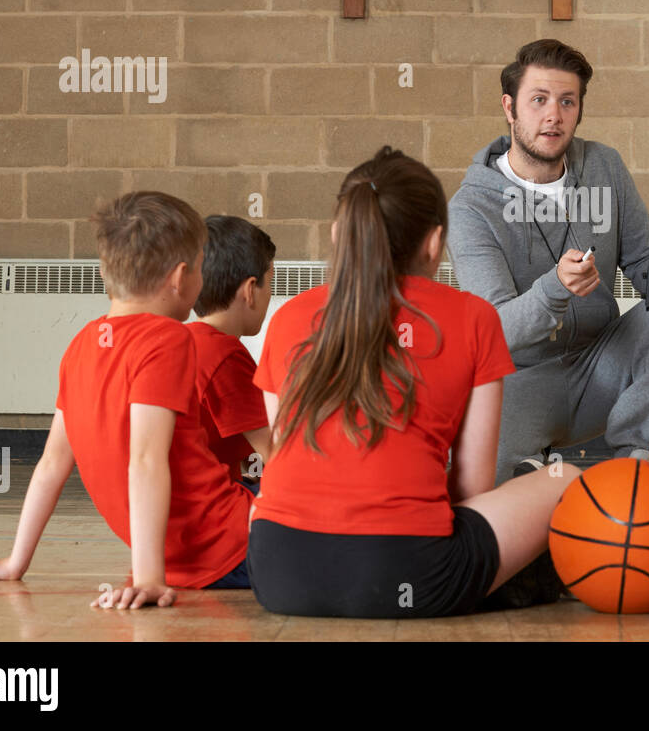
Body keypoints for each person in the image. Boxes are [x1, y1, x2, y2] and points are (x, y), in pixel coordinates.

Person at [247, 146, 580, 617]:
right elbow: (471, 488)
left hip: (278, 575)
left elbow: (281, 452)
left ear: (341, 234)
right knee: (564, 477)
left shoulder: (288, 318)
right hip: (410, 575)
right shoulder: (473, 318)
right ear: (434, 242)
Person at [0, 192, 253, 607]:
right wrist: (148, 578)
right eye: (200, 266)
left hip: (182, 559)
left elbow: (52, 464)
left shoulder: (80, 345)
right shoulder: (168, 339)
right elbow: (145, 459)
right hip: (230, 548)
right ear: (180, 277)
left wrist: (15, 561)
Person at [447, 38, 649, 483]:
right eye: (539, 100)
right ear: (509, 108)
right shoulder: (471, 208)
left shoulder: (604, 167)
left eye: (567, 101)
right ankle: (530, 471)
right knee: (470, 491)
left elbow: (647, 263)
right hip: (522, 382)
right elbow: (494, 330)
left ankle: (637, 463)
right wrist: (555, 288)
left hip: (602, 365)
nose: (553, 115)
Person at [189, 215, 274, 489]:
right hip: (211, 509)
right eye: (270, 282)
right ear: (250, 290)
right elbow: (274, 452)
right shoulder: (224, 355)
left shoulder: (186, 340)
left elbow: (246, 458)